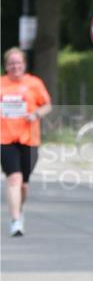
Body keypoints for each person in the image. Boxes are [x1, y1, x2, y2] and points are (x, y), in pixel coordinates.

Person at [1, 47, 52, 236]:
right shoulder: (1, 84)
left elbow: (47, 105)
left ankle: (19, 210)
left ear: (24, 65)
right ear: (6, 66)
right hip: (5, 139)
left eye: (18, 63)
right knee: (14, 178)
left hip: (29, 139)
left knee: (24, 184)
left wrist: (36, 113)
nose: (15, 66)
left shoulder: (34, 83)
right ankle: (15, 221)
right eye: (11, 63)